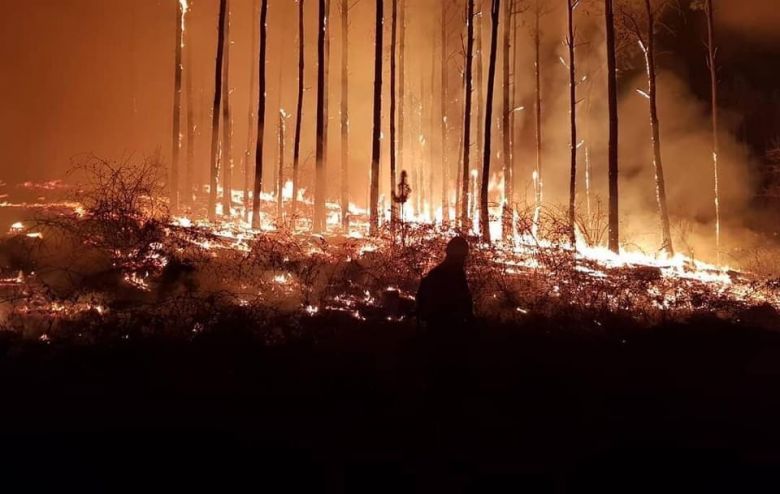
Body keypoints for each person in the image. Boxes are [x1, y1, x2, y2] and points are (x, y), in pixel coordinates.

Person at [415, 236, 474, 334]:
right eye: (461, 257)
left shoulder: (453, 274)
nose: (463, 261)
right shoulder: (441, 275)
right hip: (443, 330)